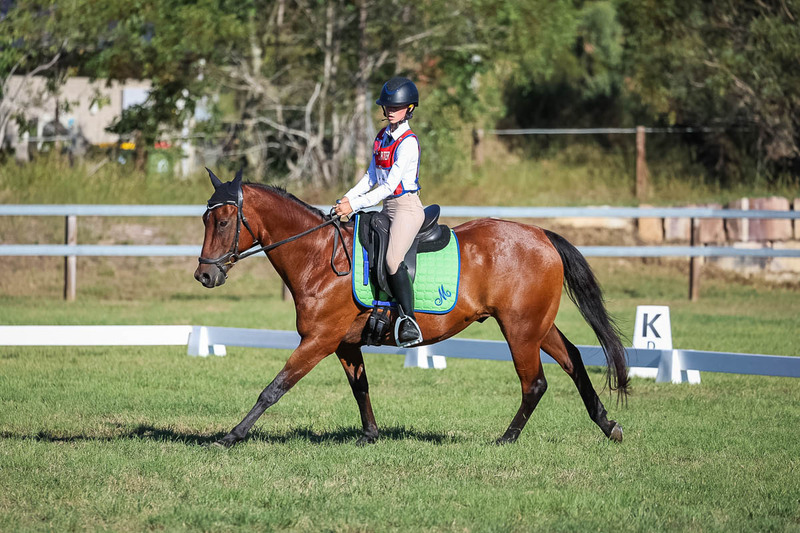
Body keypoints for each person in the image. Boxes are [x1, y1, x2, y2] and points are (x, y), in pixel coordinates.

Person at [334, 76, 424, 347]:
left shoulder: (408, 142)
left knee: (394, 259)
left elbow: (389, 186)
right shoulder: (382, 137)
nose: (390, 110)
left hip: (406, 209)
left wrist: (356, 204)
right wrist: (346, 198)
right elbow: (370, 177)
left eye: (397, 106)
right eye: (387, 106)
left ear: (409, 109)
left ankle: (409, 321)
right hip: (386, 208)